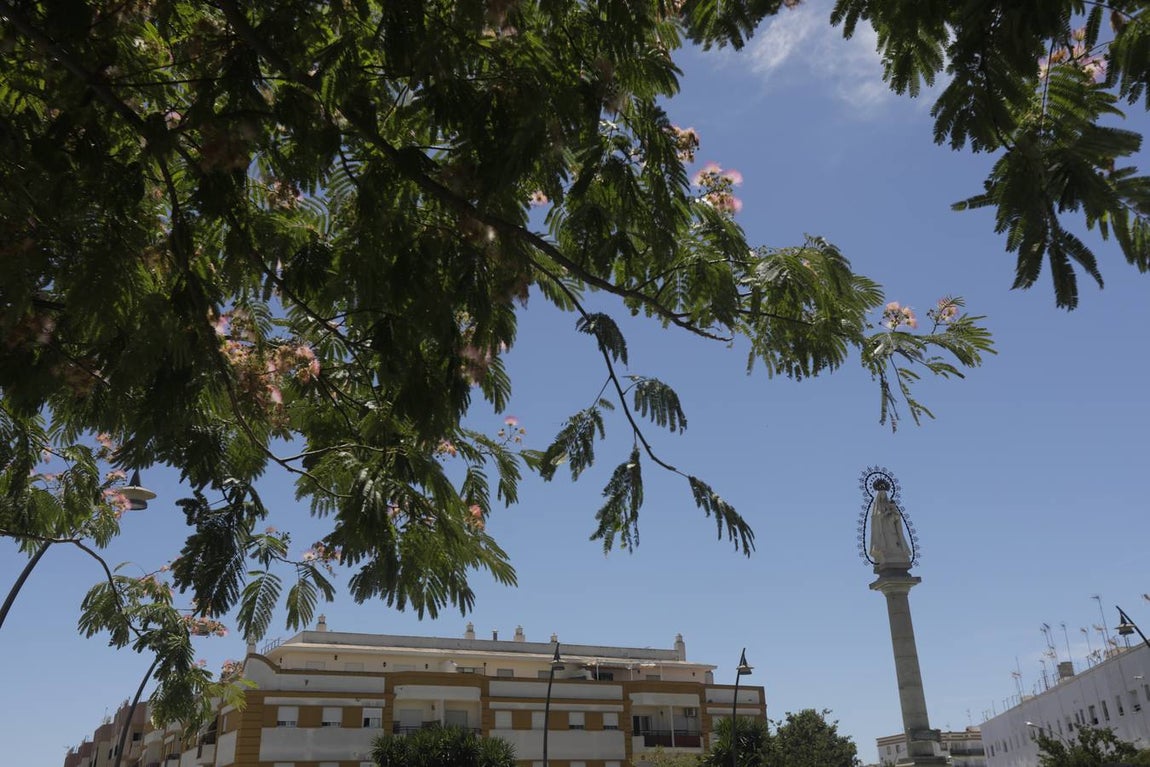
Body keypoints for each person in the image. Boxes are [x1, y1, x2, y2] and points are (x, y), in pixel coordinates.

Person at [869, 480, 912, 569]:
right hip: (883, 530)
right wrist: (885, 514)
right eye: (882, 494)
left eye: (885, 494)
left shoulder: (889, 504)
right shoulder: (876, 506)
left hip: (892, 529)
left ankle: (898, 555)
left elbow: (896, 518)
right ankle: (884, 555)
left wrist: (895, 515)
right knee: (887, 543)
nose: (884, 496)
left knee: (894, 543)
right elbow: (876, 518)